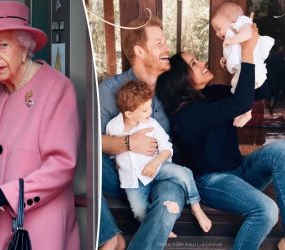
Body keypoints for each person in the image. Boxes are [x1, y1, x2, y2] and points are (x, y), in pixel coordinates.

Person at [0, 1, 80, 249]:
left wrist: (4, 195)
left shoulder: (56, 87)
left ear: (24, 47)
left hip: (36, 227)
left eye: (3, 45)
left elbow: (62, 165)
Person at [157, 24, 285, 250]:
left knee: (281, 152)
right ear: (180, 79)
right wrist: (246, 49)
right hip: (212, 181)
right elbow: (240, 103)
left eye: (197, 59)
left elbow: (260, 92)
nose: (203, 62)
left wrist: (239, 66)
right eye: (194, 64)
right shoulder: (186, 114)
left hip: (240, 170)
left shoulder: (211, 94)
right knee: (266, 211)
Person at [99, 16, 186, 250]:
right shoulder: (109, 90)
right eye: (159, 43)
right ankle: (109, 237)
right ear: (139, 50)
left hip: (161, 173)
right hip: (123, 176)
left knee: (169, 205)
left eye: (165, 42)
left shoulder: (172, 87)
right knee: (82, 160)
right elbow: (90, 142)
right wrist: (129, 143)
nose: (167, 47)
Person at [106, 80, 211, 232]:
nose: (149, 112)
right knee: (138, 210)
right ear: (129, 113)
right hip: (132, 179)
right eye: (144, 110)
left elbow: (167, 148)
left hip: (157, 166)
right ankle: (156, 226)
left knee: (184, 173)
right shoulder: (113, 127)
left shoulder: (152, 124)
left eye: (150, 107)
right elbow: (112, 151)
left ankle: (195, 206)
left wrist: (155, 164)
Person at [211, 2, 274, 127]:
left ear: (232, 20)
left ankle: (246, 112)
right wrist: (225, 58)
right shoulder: (233, 33)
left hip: (253, 66)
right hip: (244, 67)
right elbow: (236, 51)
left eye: (218, 28)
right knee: (240, 90)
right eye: (215, 31)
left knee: (244, 89)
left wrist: (232, 40)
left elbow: (248, 34)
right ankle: (246, 112)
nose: (217, 34)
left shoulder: (242, 24)